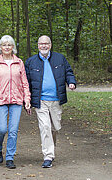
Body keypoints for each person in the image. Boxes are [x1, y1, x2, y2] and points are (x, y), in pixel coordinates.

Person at [25, 35, 76, 168]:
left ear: (50, 45)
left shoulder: (60, 58)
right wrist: (27, 100)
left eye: (46, 43)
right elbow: (26, 82)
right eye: (41, 44)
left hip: (56, 100)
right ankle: (48, 156)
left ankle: (50, 147)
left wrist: (71, 82)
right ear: (38, 45)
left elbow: (69, 72)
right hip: (40, 101)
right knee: (45, 127)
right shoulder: (31, 62)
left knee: (55, 128)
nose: (44, 46)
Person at [0, 35, 31, 169]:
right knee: (2, 129)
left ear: (13, 47)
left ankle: (10, 157)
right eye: (4, 45)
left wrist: (27, 99)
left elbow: (24, 82)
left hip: (17, 100)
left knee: (13, 130)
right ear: (0, 47)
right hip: (0, 99)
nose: (6, 47)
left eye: (9, 45)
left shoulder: (19, 62)